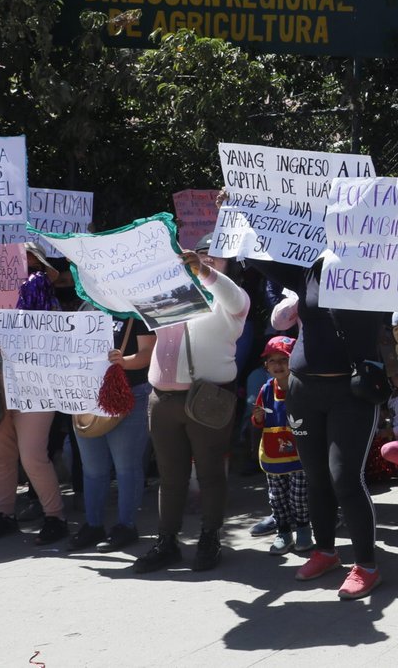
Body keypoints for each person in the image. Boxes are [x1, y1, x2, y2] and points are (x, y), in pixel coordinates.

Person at [247, 248, 390, 600]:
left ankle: (367, 566)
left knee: (345, 478)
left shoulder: (375, 268)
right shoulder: (308, 269)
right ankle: (325, 551)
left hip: (351, 392)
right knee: (315, 477)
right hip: (304, 390)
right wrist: (237, 210)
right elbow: (257, 256)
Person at [133, 246, 250, 574]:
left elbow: (232, 296)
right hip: (162, 401)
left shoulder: (230, 300)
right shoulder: (170, 293)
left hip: (206, 401)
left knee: (211, 474)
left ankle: (209, 539)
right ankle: (166, 542)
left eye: (214, 256)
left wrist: (205, 272)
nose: (204, 259)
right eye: (199, 254)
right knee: (170, 477)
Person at [0, 243, 71, 545]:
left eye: (33, 267)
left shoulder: (51, 307)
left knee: (32, 455)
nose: (27, 272)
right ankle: (4, 514)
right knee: (0, 455)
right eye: (20, 266)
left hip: (35, 384)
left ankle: (55, 517)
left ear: (44, 272)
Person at [69, 313, 156, 553]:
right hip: (87, 396)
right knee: (92, 468)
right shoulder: (86, 308)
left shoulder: (135, 314)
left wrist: (124, 362)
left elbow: (148, 353)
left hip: (129, 395)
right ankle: (93, 524)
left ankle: (126, 526)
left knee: (126, 466)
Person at [251, 336, 312, 556]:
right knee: (277, 497)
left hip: (299, 455)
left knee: (299, 497)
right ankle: (283, 532)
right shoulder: (266, 389)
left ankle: (304, 530)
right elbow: (257, 420)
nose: (278, 365)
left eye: (283, 359)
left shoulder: (303, 388)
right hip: (273, 455)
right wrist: (258, 418)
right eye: (272, 361)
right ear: (266, 365)